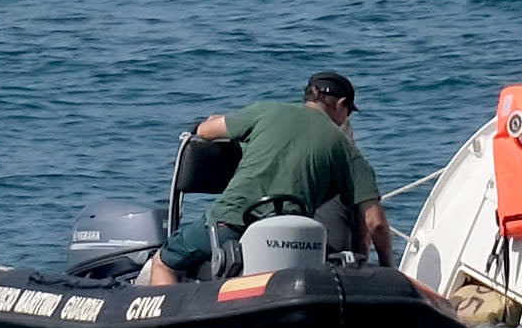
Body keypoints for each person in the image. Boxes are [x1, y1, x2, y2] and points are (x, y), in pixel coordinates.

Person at [146, 71, 392, 285]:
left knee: (164, 263)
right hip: (293, 240)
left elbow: (204, 131)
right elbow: (376, 222)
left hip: (229, 225)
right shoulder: (347, 150)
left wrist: (213, 121)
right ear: (341, 104)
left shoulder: (265, 111)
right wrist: (387, 269)